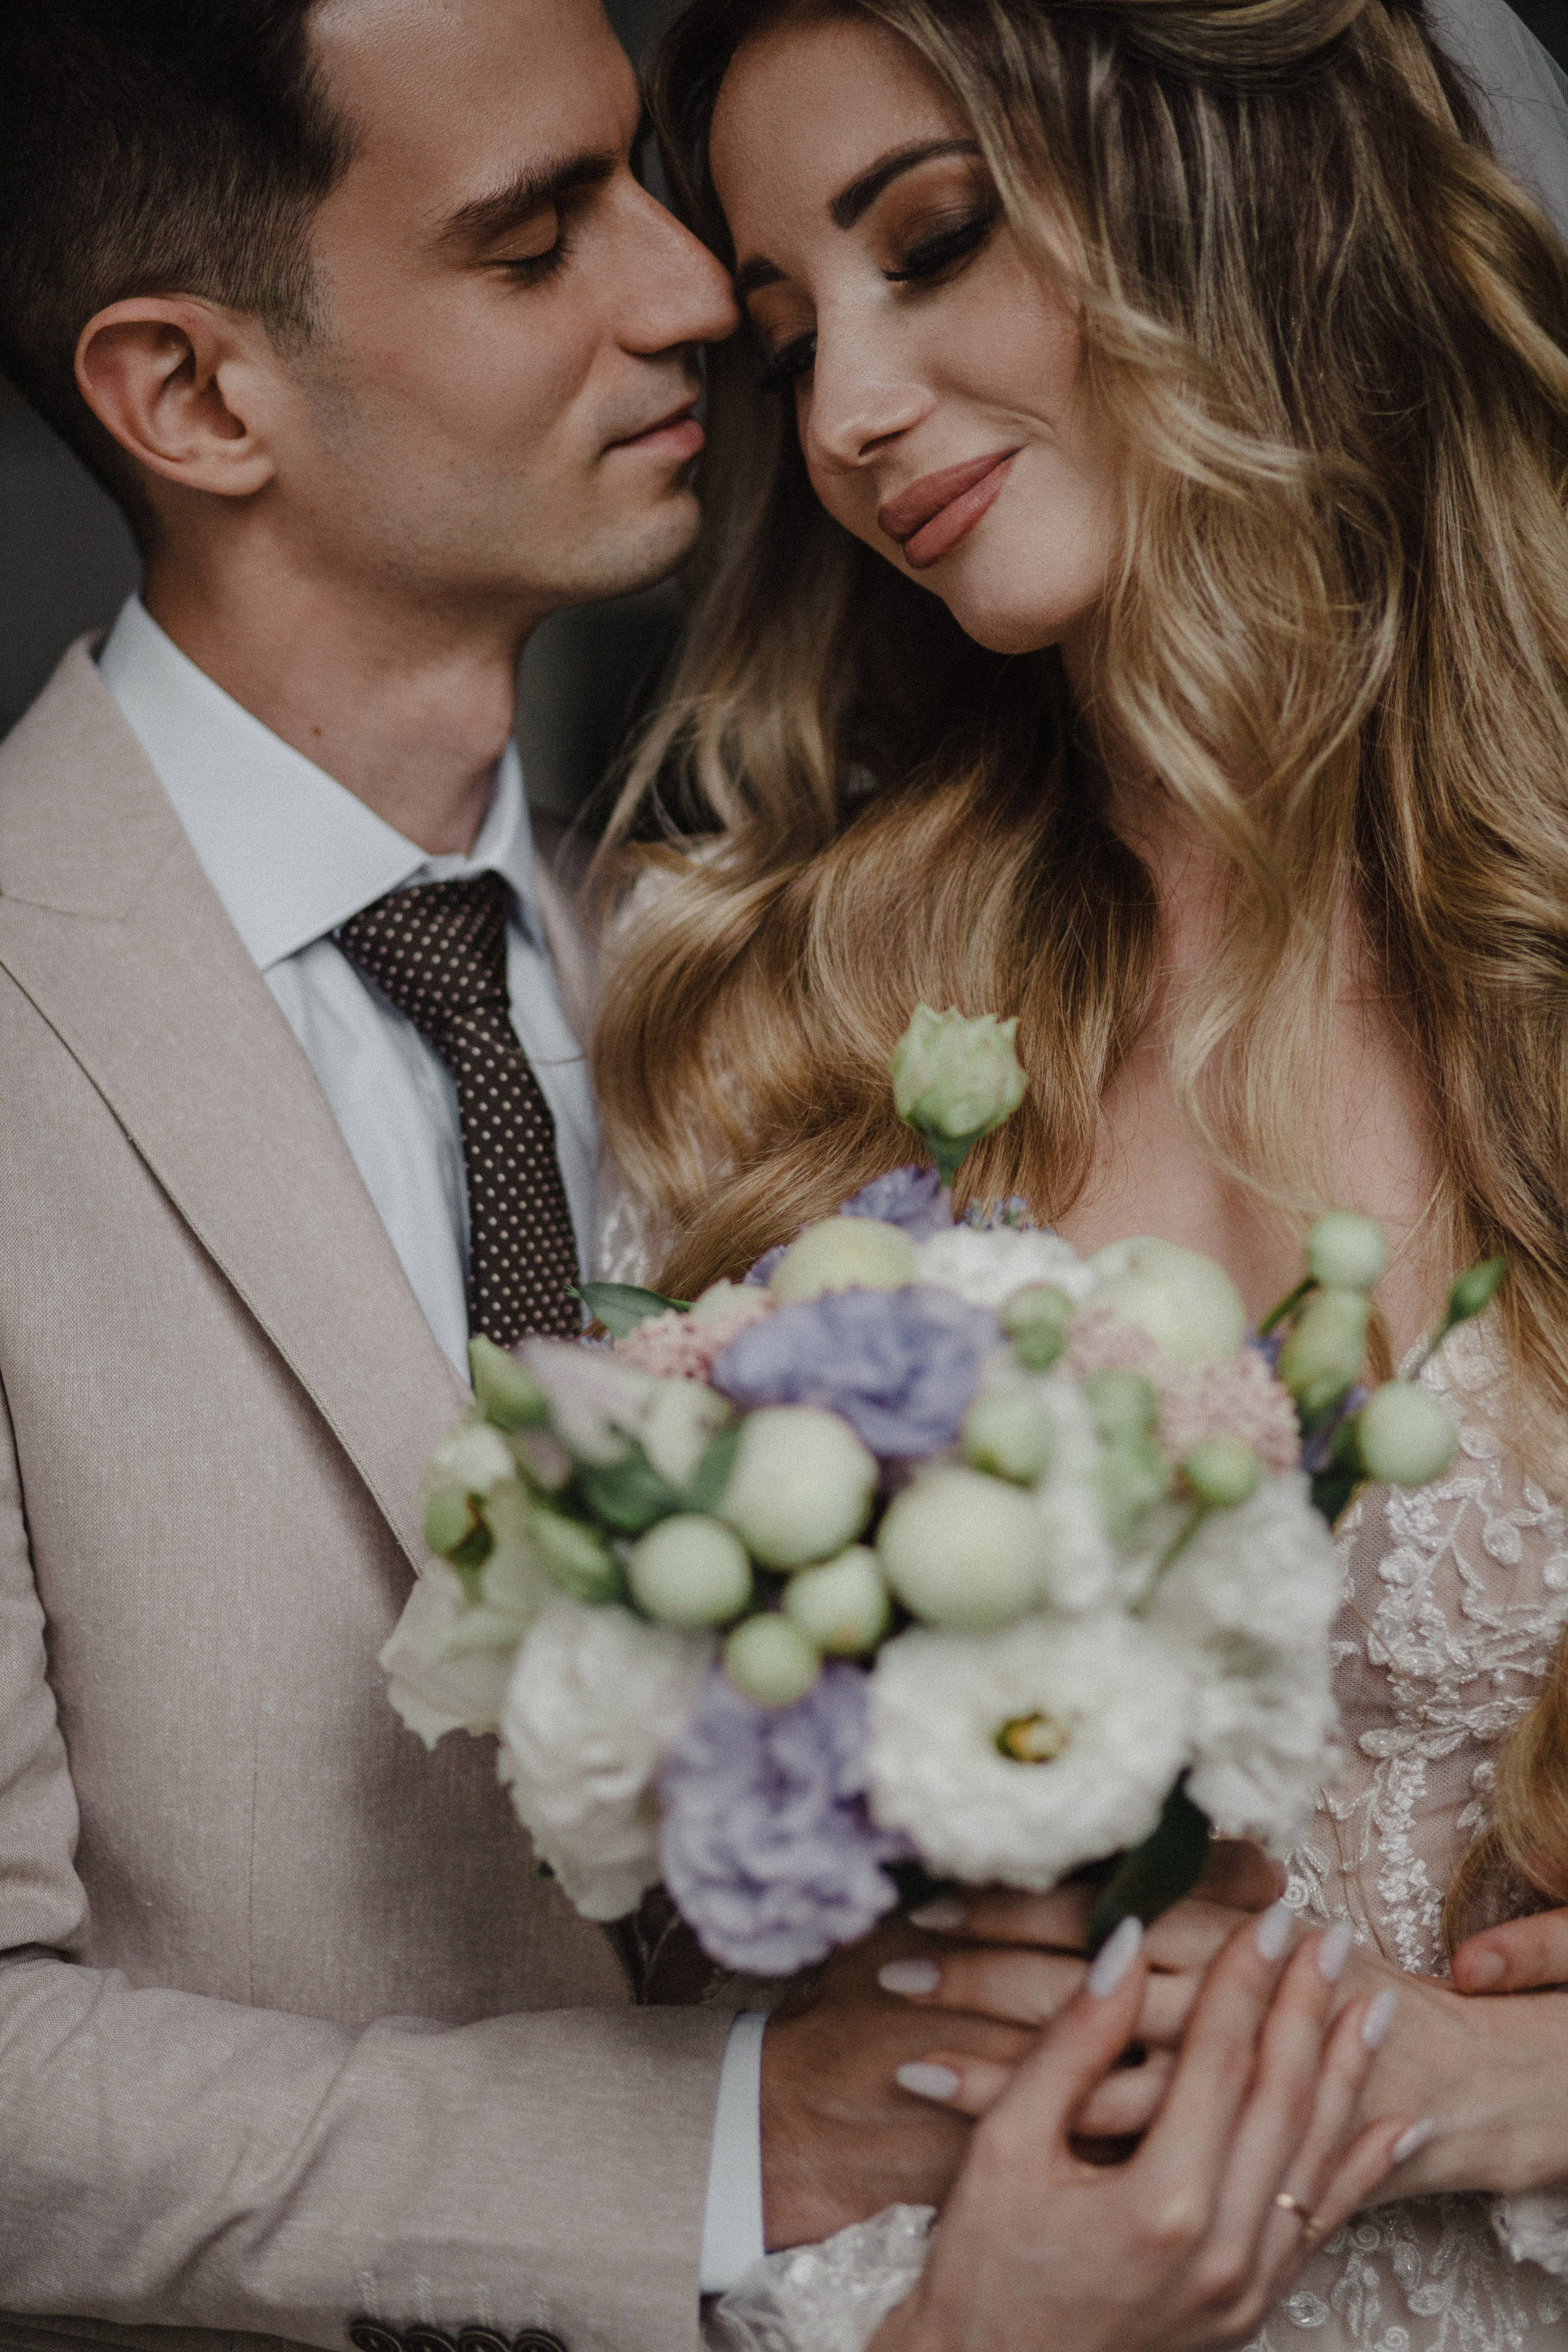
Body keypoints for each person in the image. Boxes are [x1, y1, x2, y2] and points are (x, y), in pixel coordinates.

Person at [0, 0, 1061, 2342]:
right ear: (194, 396)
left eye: (641, 186)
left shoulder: (812, 960)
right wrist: (722, 2143)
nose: (695, 290)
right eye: (532, 238)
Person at [589, 0, 1568, 2343]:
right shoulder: (771, 1012)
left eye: (934, 243)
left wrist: (1508, 2088)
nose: (840, 417)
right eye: (785, 330)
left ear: (1240, 198)